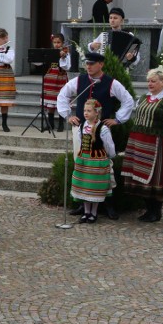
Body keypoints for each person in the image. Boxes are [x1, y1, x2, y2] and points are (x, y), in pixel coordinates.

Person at [56, 51, 134, 219]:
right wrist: (68, 115)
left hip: (100, 130)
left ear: (101, 64)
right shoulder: (79, 81)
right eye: (87, 63)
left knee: (104, 170)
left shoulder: (111, 83)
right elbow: (62, 95)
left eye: (92, 64)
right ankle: (82, 204)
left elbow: (128, 100)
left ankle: (108, 205)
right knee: (82, 166)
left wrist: (118, 119)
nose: (88, 66)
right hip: (82, 129)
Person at [121, 68, 163, 223]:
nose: (150, 84)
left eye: (153, 81)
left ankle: (156, 211)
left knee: (156, 178)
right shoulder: (143, 98)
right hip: (138, 142)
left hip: (158, 144)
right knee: (139, 177)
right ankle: (149, 209)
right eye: (149, 81)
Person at [70, 99, 116, 224]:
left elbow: (109, 145)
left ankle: (94, 213)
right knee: (85, 186)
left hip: (97, 161)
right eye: (85, 110)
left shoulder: (103, 128)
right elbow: (80, 141)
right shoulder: (83, 126)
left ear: (96, 113)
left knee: (94, 186)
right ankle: (86, 212)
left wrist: (109, 156)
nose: (85, 113)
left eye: (89, 111)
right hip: (84, 160)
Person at [43, 34, 71, 132]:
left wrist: (62, 57)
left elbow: (67, 67)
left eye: (58, 42)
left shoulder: (66, 53)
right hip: (50, 78)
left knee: (60, 101)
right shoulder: (50, 52)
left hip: (60, 79)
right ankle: (50, 124)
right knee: (50, 103)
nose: (56, 44)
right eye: (54, 42)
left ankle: (61, 124)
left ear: (62, 43)